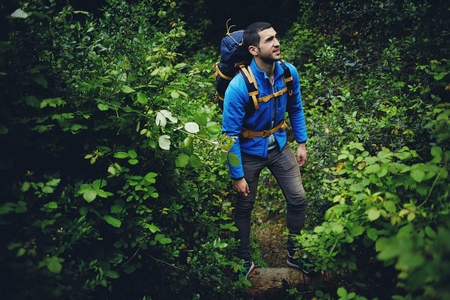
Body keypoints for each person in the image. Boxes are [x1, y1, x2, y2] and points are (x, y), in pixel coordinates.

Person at [222, 22, 314, 280]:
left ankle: (295, 255)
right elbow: (230, 136)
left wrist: (302, 142)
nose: (276, 43)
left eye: (276, 37)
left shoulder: (288, 72)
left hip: (280, 146)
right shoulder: (238, 87)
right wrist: (237, 175)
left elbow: (295, 107)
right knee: (244, 206)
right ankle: (244, 259)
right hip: (248, 151)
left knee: (298, 198)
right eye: (269, 40)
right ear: (253, 49)